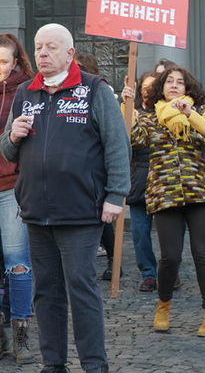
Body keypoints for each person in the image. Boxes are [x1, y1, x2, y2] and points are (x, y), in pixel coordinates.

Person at [0, 23, 131, 373]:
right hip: (35, 212)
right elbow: (8, 151)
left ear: (70, 53)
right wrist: (12, 135)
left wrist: (115, 195)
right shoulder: (26, 92)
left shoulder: (94, 90)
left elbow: (117, 145)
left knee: (82, 289)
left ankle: (93, 364)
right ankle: (53, 364)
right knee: (46, 292)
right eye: (39, 47)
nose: (43, 53)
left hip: (81, 211)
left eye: (52, 48)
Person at [130, 66, 205, 336]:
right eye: (169, 81)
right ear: (161, 87)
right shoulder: (151, 119)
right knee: (169, 257)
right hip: (165, 193)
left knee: (202, 254)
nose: (174, 85)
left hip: (197, 193)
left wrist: (189, 114)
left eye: (179, 82)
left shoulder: (201, 112)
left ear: (188, 88)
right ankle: (163, 305)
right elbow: (132, 138)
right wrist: (126, 106)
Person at [0, 34, 35, 364]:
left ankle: (21, 334)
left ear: (15, 64)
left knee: (18, 263)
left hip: (13, 187)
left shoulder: (26, 92)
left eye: (2, 62)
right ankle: (1, 334)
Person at [74, 51, 118, 281]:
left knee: (103, 217)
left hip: (97, 166)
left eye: (79, 66)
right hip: (77, 168)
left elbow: (112, 136)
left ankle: (113, 259)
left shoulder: (102, 90)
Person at [121, 71, 159, 292]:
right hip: (139, 179)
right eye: (144, 87)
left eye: (152, 87)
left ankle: (169, 271)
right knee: (140, 233)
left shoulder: (167, 112)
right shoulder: (131, 111)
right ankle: (148, 273)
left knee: (169, 235)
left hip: (164, 180)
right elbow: (124, 135)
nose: (148, 91)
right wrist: (125, 103)